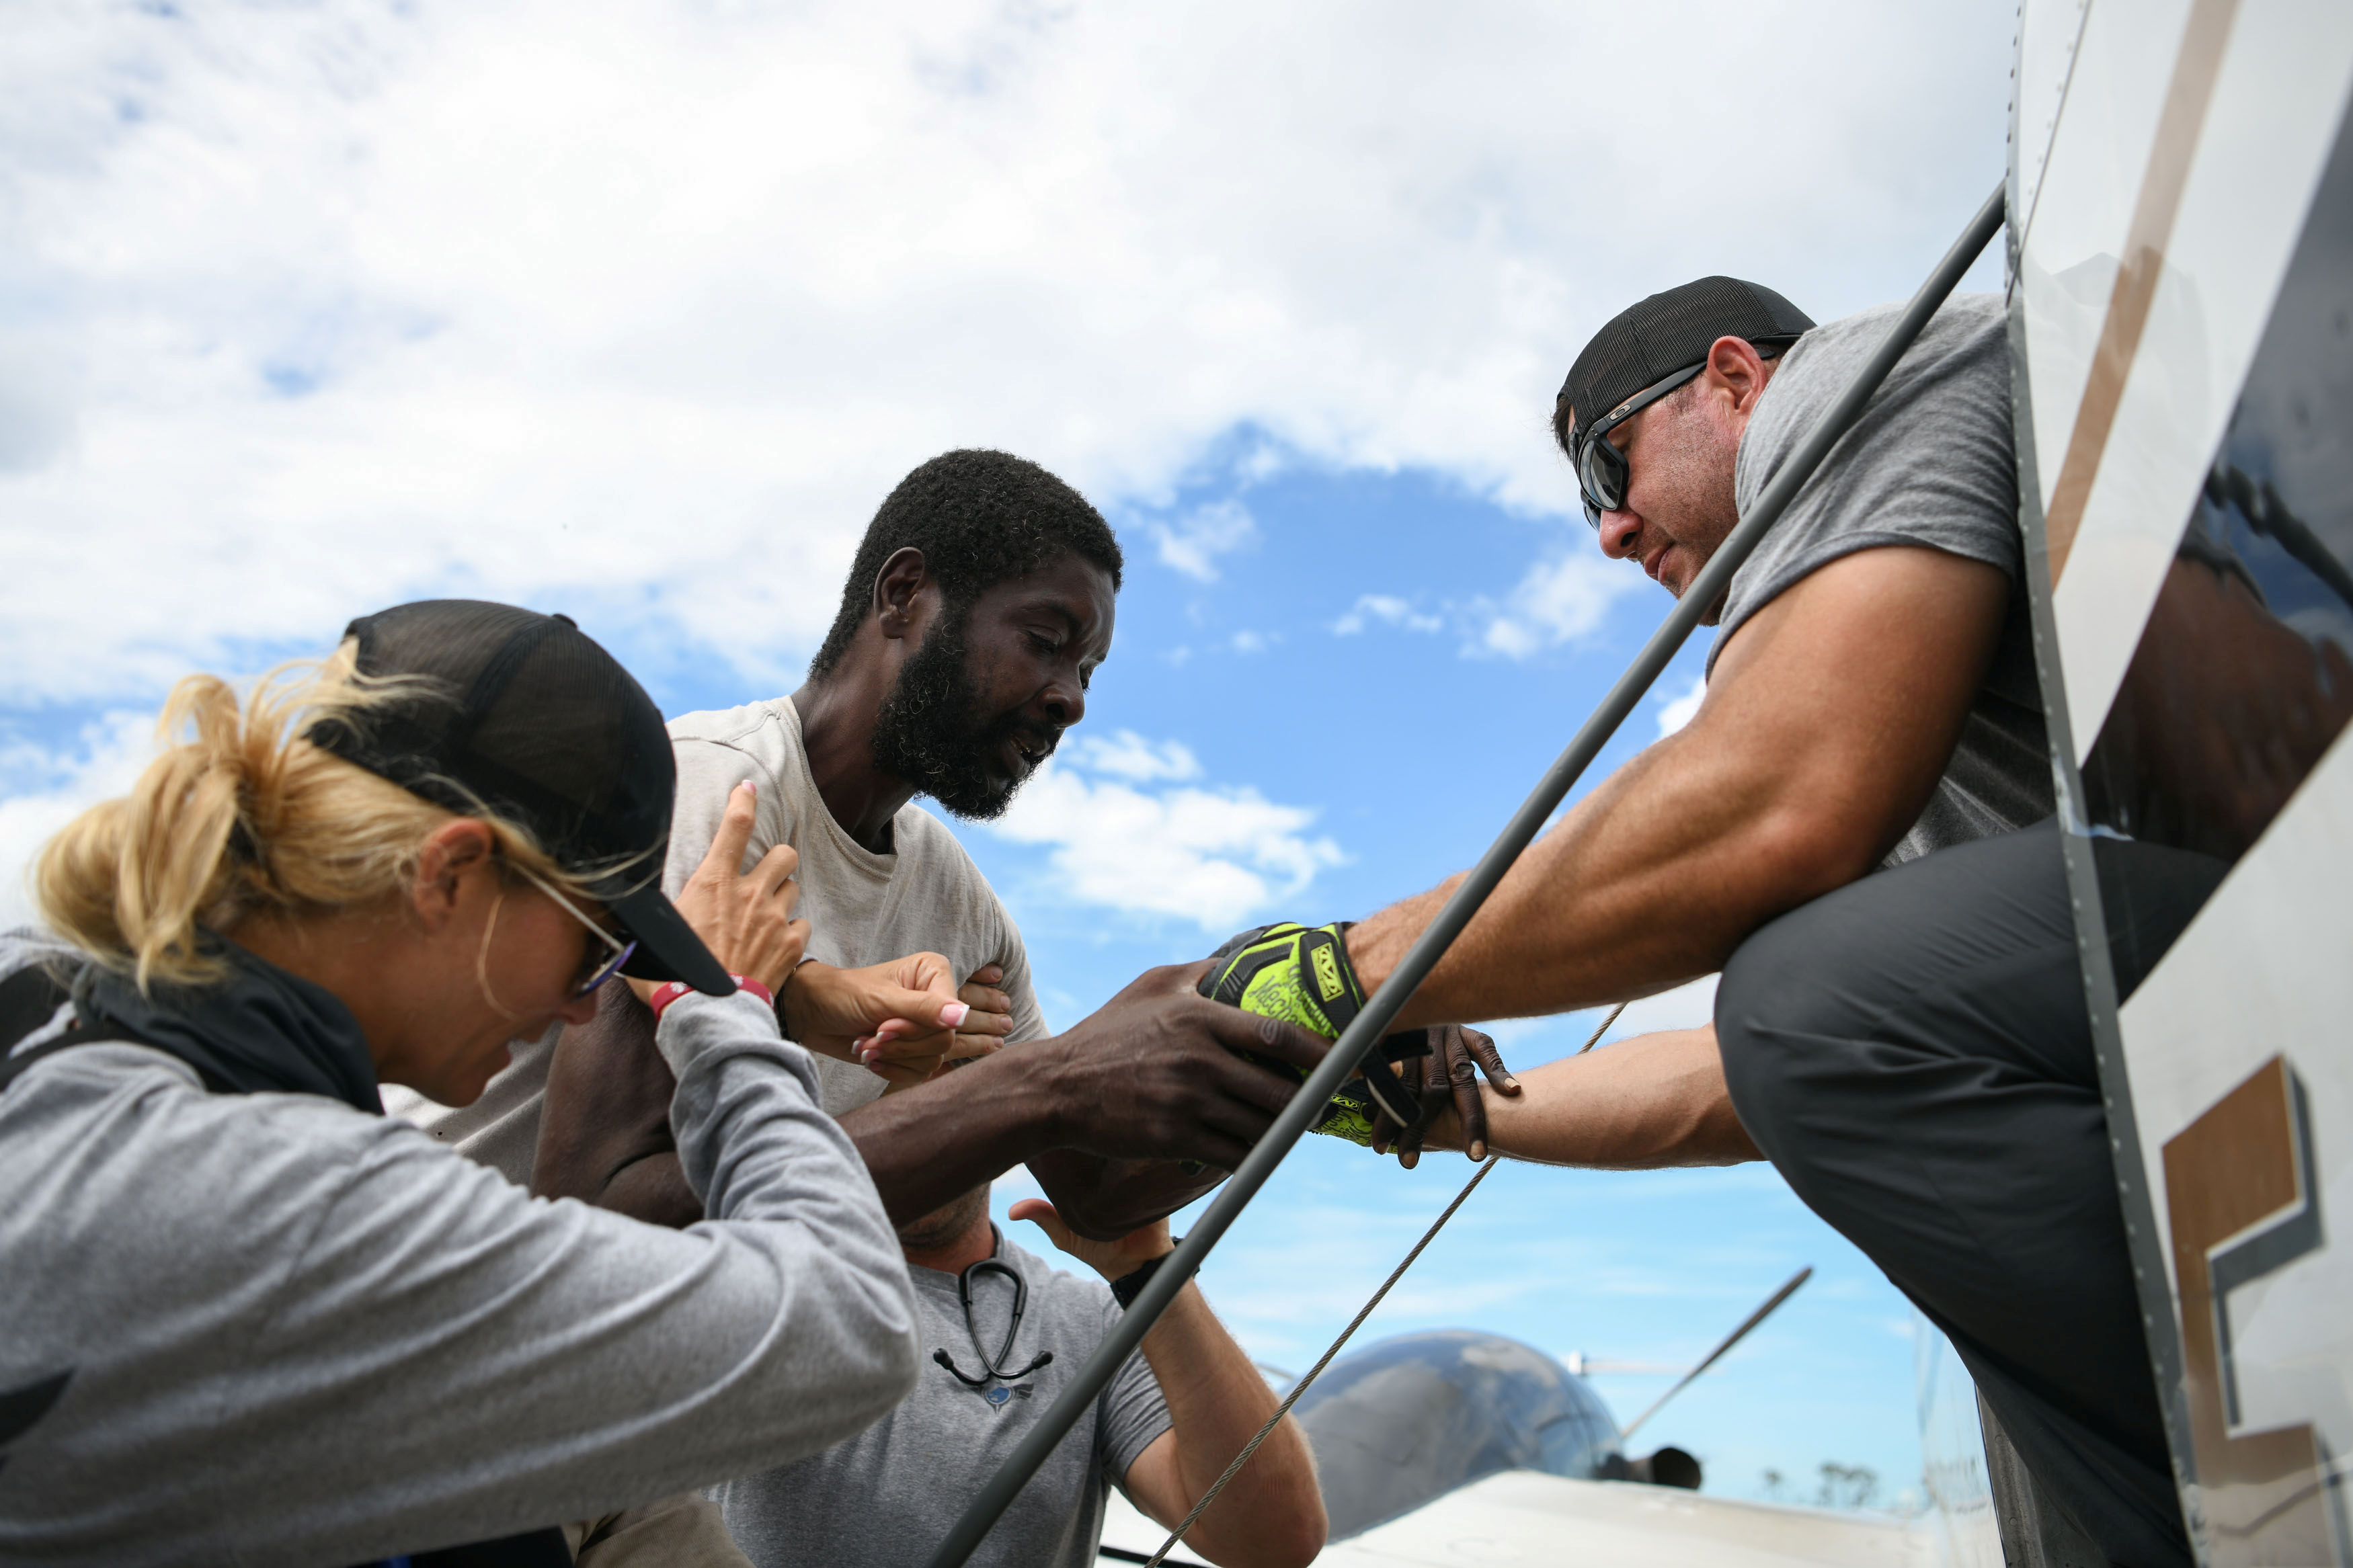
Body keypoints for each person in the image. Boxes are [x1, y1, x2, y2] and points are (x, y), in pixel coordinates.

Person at [1207, 279, 2217, 1567]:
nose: (1612, 534)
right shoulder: (1897, 729)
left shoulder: (1869, 376)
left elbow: (1776, 808)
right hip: (2175, 1017)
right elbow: (1753, 1076)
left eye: (1607, 467)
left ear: (1738, 380)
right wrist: (1435, 1105)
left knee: (1814, 988)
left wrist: (1354, 974)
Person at [0, 599, 1323, 1566]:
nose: (588, 996)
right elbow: (844, 1324)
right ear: (452, 873)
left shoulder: (67, 1028)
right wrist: (722, 1013)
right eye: (595, 935)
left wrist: (785, 992)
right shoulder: (296, 1204)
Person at [530, 448, 1508, 1240]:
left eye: (1089, 668)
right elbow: (596, 1220)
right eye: (1046, 639)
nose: (1072, 699)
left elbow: (1096, 1185)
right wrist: (1032, 1087)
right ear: (905, 594)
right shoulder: (712, 792)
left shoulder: (958, 906)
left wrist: (1317, 1034)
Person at [711, 1182, 1324, 1568]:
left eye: (950, 1075)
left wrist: (1150, 1272)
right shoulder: (746, 1276)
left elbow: (1272, 1544)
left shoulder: (1093, 1316)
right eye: (882, 1076)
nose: (919, 1104)